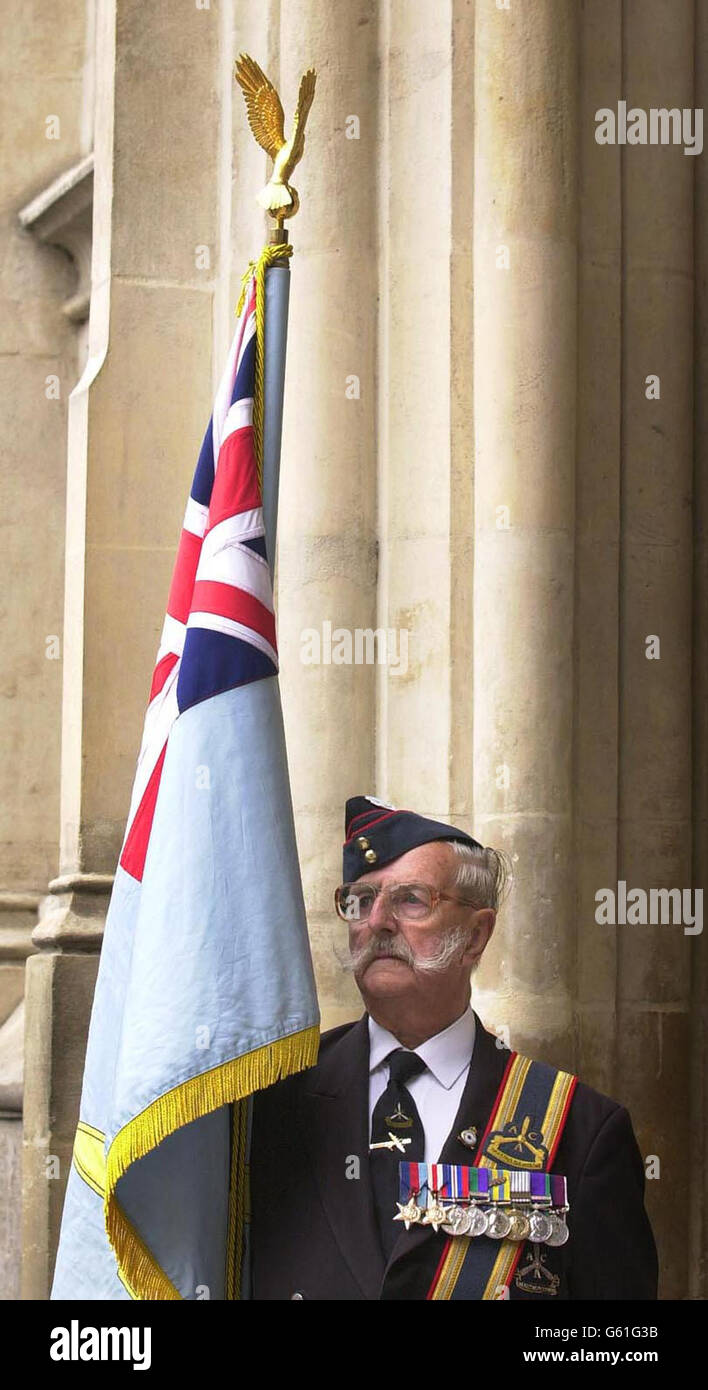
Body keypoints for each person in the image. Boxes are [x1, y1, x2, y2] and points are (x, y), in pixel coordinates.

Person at [250, 796, 658, 1300]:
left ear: (475, 935)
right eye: (360, 900)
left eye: (410, 900)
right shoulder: (273, 1098)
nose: (376, 921)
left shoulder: (579, 1128)